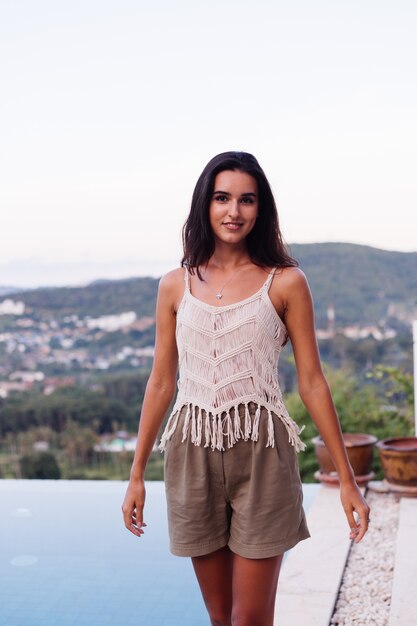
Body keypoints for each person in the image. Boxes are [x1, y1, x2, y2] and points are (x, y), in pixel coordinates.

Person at [122, 151, 370, 626]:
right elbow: (161, 382)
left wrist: (348, 481)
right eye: (222, 198)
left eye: (246, 200)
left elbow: (313, 382)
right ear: (205, 205)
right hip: (192, 452)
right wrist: (136, 474)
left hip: (263, 453)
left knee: (250, 619)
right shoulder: (174, 285)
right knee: (221, 619)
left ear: (261, 209)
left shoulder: (287, 282)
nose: (234, 211)